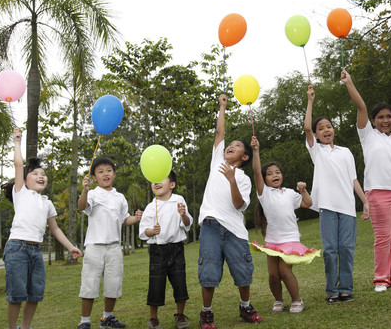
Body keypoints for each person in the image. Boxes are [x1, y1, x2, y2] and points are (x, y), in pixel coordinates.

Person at [341, 69, 391, 292]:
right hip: (378, 193)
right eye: (381, 117)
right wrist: (350, 83)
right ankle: (381, 279)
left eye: (389, 116)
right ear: (373, 121)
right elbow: (361, 107)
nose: (385, 120)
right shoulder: (368, 136)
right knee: (383, 237)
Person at [1, 128, 82, 329]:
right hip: (17, 248)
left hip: (36, 251)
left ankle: (25, 327)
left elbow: (55, 230)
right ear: (25, 179)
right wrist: (17, 142)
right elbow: (18, 164)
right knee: (17, 295)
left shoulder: (47, 203)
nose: (40, 176)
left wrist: (70, 247)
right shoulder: (21, 193)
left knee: (35, 294)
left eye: (43, 174)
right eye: (35, 173)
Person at [197, 94, 262, 329]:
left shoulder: (243, 178)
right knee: (209, 271)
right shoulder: (216, 161)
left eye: (236, 147)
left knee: (242, 271)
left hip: (234, 230)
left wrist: (232, 180)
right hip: (210, 226)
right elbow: (219, 134)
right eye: (230, 145)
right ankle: (206, 313)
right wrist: (222, 107)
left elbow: (238, 204)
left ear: (244, 157)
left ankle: (246, 306)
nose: (230, 147)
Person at [304, 84, 370, 303]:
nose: (326, 130)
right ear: (316, 134)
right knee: (331, 250)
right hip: (328, 208)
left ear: (334, 130)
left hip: (348, 209)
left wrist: (365, 202)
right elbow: (306, 128)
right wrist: (310, 100)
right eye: (321, 128)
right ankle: (332, 290)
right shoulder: (317, 152)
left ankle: (346, 289)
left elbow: (353, 180)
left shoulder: (346, 152)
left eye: (329, 126)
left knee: (346, 249)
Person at [250, 135, 316, 314]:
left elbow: (308, 203)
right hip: (273, 241)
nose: (274, 175)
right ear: (264, 179)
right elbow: (256, 172)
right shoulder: (264, 194)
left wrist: (303, 191)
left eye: (277, 172)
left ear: (282, 175)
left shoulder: (289, 193)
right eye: (269, 174)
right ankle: (278, 300)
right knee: (273, 276)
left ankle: (297, 300)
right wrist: (256, 151)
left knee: (284, 271)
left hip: (291, 239)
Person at [77, 157, 143, 329]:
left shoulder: (120, 197)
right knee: (89, 284)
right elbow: (82, 206)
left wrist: (135, 218)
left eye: (108, 170)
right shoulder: (92, 193)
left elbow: (123, 220)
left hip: (114, 247)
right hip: (94, 247)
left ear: (114, 174)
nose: (105, 174)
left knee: (113, 284)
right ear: (94, 177)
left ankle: (107, 318)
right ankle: (84, 321)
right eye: (100, 171)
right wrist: (84, 191)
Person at [139, 170, 193, 329]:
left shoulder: (179, 200)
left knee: (180, 282)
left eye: (161, 179)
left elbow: (187, 223)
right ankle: (153, 318)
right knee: (156, 284)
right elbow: (143, 231)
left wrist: (183, 215)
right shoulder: (150, 207)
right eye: (154, 180)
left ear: (172, 185)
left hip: (176, 249)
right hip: (158, 251)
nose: (156, 182)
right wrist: (151, 231)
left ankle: (180, 315)